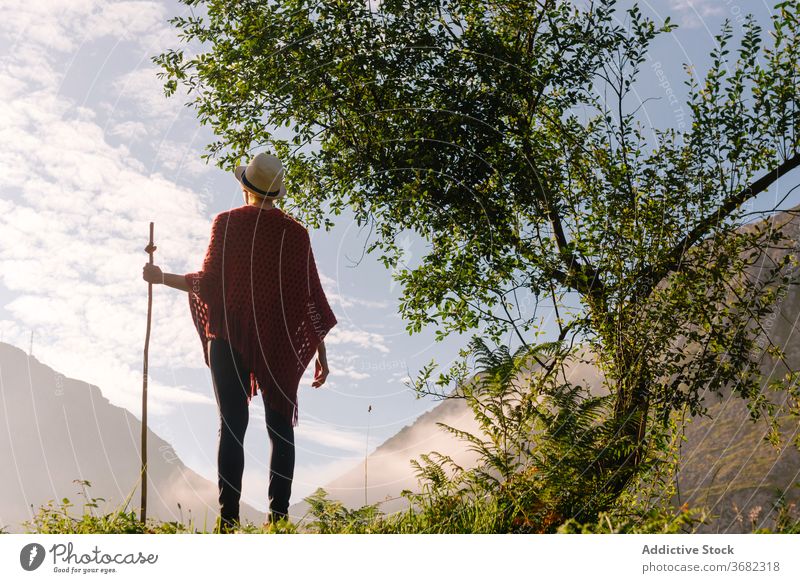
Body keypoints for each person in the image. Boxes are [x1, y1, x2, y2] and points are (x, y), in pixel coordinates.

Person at [142, 152, 337, 533]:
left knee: (232, 423)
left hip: (229, 335)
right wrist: (320, 354)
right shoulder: (296, 235)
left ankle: (227, 524)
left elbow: (209, 283)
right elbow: (309, 303)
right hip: (279, 344)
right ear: (277, 193)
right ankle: (277, 523)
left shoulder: (226, 223)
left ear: (246, 187)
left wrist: (161, 276)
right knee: (281, 428)